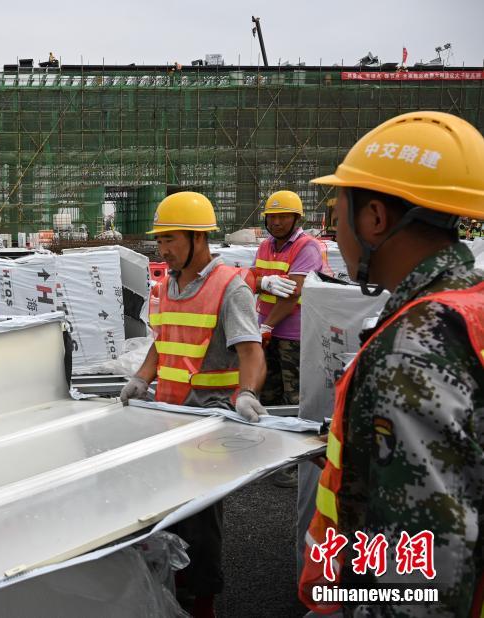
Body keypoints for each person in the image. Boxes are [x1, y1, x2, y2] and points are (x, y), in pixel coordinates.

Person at [298, 111, 484, 615]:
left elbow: (425, 582)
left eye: (338, 212)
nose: (335, 232)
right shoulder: (470, 304)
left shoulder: (412, 349)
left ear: (374, 218)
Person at [120, 191, 267, 617]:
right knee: (167, 517)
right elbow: (161, 343)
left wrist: (247, 394)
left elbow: (251, 352)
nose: (162, 249)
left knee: (201, 528)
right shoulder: (167, 285)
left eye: (170, 240)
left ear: (198, 238)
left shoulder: (230, 287)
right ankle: (170, 594)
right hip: (168, 420)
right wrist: (141, 379)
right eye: (160, 240)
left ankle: (202, 605)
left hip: (209, 426)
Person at [250, 190, 332, 488]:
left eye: (284, 216)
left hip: (294, 334)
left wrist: (266, 325)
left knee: (294, 399)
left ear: (297, 218)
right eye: (272, 216)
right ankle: (271, 459)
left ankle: (294, 465)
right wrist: (262, 287)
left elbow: (293, 293)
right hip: (268, 330)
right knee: (268, 395)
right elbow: (256, 281)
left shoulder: (307, 247)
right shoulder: (266, 246)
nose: (277, 222)